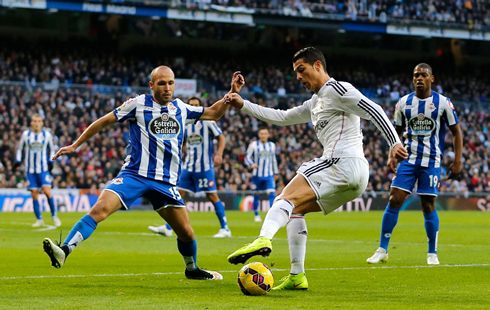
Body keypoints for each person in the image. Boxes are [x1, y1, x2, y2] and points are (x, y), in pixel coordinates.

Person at [224, 47, 408, 290]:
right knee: (295, 211)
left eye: (302, 70)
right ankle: (297, 275)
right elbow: (281, 116)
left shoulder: (337, 89)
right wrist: (243, 104)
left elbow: (374, 110)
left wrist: (394, 142)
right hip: (354, 177)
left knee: (284, 199)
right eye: (295, 72)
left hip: (341, 162)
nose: (298, 77)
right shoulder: (315, 102)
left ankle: (263, 238)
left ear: (318, 66)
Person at [42, 66, 244, 280]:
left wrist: (233, 93)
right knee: (100, 208)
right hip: (134, 175)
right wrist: (75, 145)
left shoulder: (181, 108)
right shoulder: (137, 104)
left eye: (171, 83)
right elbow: (104, 121)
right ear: (151, 85)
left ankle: (192, 269)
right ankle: (64, 250)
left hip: (165, 182)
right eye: (162, 83)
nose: (167, 88)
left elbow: (213, 112)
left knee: (186, 233)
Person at [366, 63, 462, 265]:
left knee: (428, 204)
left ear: (431, 78)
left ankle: (432, 253)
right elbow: (396, 132)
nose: (419, 78)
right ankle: (382, 249)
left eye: (423, 75)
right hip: (407, 159)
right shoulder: (403, 103)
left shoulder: (443, 102)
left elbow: (456, 132)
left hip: (432, 160)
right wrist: (392, 154)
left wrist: (458, 160)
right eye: (416, 75)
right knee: (394, 199)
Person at [148, 96, 231, 238]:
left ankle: (225, 229)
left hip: (204, 167)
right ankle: (168, 227)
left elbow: (221, 137)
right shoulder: (184, 122)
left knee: (212, 196)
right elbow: (185, 143)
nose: (193, 106)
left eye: (196, 104)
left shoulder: (208, 122)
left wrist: (219, 154)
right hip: (189, 167)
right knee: (177, 195)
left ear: (200, 106)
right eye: (191, 104)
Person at [15, 113, 61, 228]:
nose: (36, 123)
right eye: (34, 121)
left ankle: (54, 216)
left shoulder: (47, 135)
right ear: (31, 123)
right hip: (30, 170)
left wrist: (51, 161)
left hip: (43, 169)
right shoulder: (26, 135)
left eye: (38, 121)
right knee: (34, 194)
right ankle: (39, 219)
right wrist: (18, 160)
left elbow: (51, 149)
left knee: (47, 191)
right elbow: (20, 148)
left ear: (42, 123)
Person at [244, 127, 278, 222]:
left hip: (269, 175)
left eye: (265, 134)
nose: (263, 136)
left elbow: (273, 160)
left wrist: (276, 172)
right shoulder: (253, 145)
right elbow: (247, 157)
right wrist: (252, 164)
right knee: (256, 195)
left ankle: (271, 216)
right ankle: (256, 215)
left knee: (272, 194)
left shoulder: (272, 145)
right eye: (261, 134)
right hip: (256, 175)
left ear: (268, 135)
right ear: (259, 135)